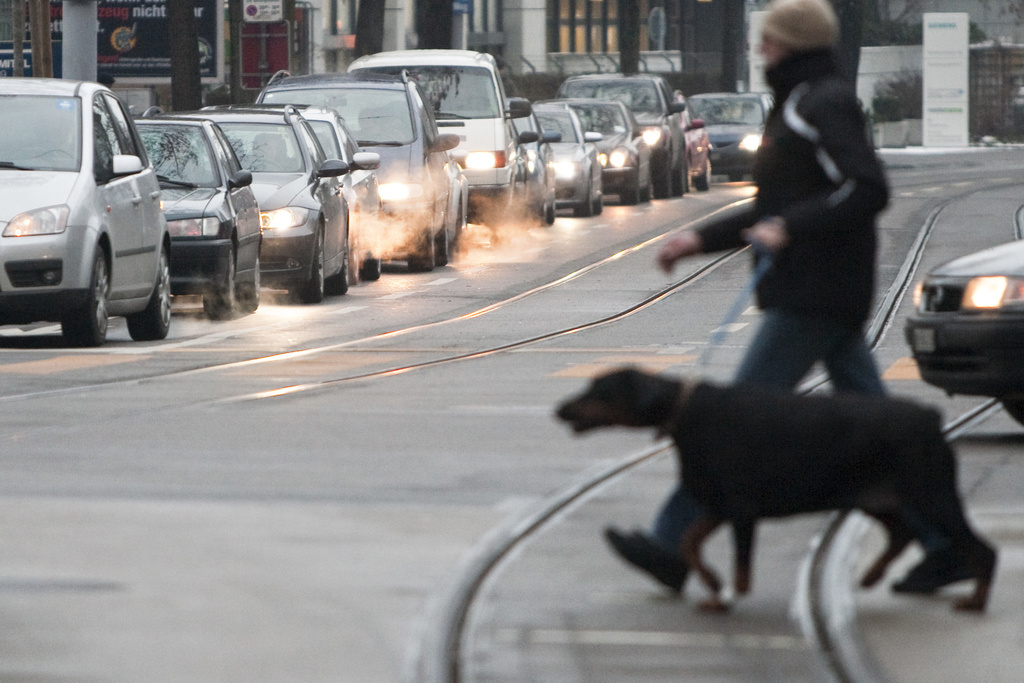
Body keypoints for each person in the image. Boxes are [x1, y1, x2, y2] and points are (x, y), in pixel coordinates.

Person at [604, 0, 973, 597]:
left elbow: (866, 186)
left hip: (813, 294)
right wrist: (699, 237)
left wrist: (793, 228)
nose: (759, 48)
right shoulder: (795, 104)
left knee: (726, 426)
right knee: (887, 435)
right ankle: (944, 545)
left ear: (794, 44)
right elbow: (775, 207)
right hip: (822, 293)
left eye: (769, 39)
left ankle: (671, 544)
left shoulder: (818, 102)